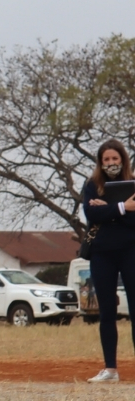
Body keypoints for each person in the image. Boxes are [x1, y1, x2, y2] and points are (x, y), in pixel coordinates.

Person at [83, 139, 135, 383]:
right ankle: (110, 369)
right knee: (106, 311)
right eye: (106, 160)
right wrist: (123, 207)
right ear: (100, 162)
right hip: (101, 253)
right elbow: (91, 214)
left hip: (130, 251)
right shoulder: (93, 186)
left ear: (123, 159)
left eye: (115, 159)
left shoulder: (133, 184)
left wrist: (112, 209)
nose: (111, 163)